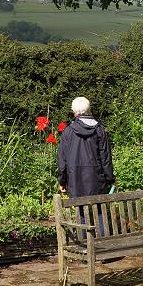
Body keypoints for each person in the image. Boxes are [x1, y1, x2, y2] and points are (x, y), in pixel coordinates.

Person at [58, 97, 115, 235]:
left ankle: (84, 247)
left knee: (80, 210)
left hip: (75, 178)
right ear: (88, 109)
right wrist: (110, 179)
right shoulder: (99, 130)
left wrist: (62, 180)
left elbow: (62, 160)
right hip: (97, 178)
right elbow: (106, 158)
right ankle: (104, 245)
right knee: (100, 209)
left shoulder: (68, 131)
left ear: (74, 111)